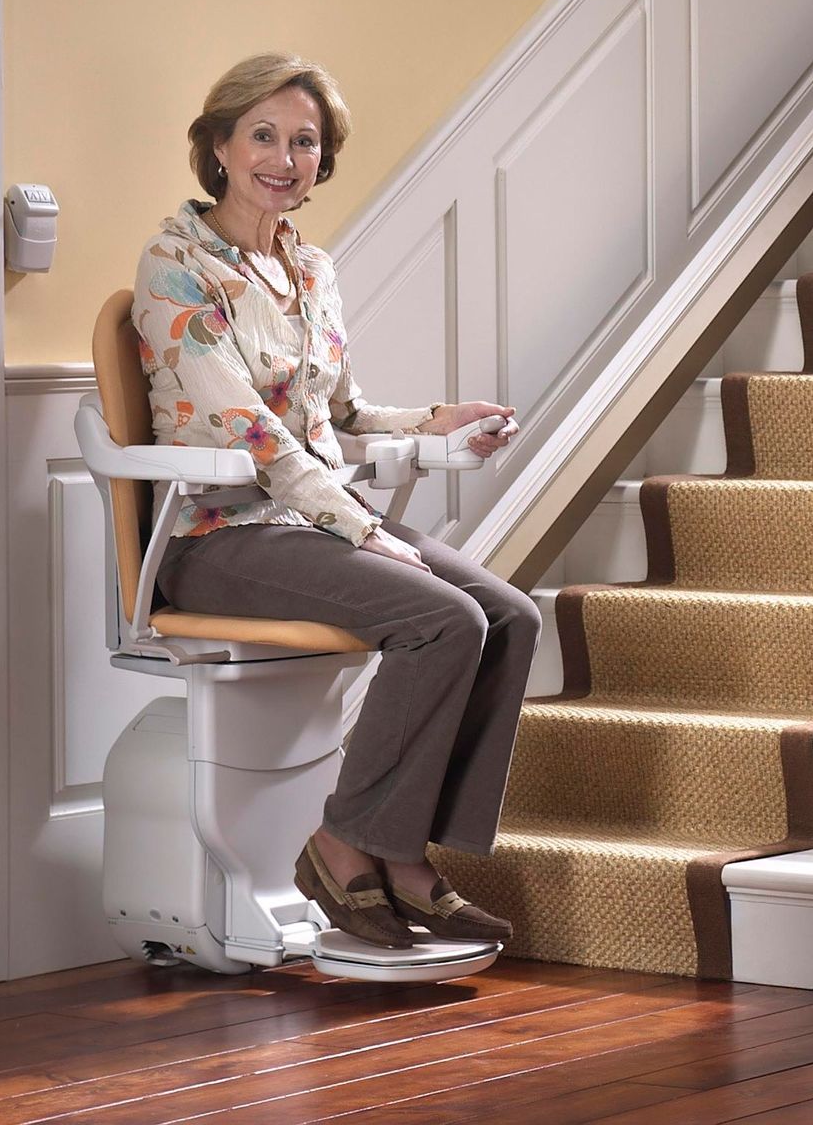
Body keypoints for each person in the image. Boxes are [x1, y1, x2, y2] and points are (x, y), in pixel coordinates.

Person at [133, 53, 539, 949]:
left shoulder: (310, 269)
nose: (284, 158)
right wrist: (365, 530)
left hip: (305, 524)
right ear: (221, 147)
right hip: (220, 538)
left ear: (323, 159)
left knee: (508, 616)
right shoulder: (175, 265)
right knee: (446, 621)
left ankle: (402, 856)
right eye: (264, 137)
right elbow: (254, 437)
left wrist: (440, 420)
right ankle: (348, 843)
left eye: (305, 142)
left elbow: (339, 415)